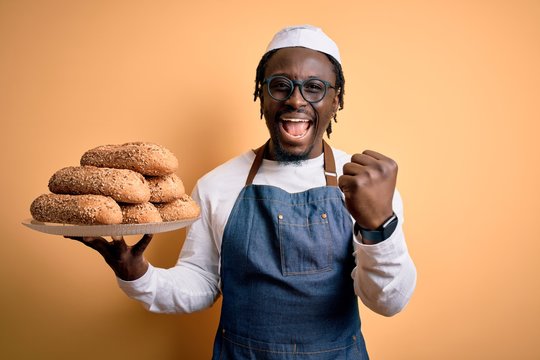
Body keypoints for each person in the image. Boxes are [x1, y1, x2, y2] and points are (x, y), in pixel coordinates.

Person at [70, 25, 417, 359]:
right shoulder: (218, 183)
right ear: (260, 93)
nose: (296, 100)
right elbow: (202, 282)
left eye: (314, 87)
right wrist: (137, 275)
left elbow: (388, 302)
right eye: (280, 86)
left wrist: (378, 225)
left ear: (336, 100)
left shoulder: (365, 186)